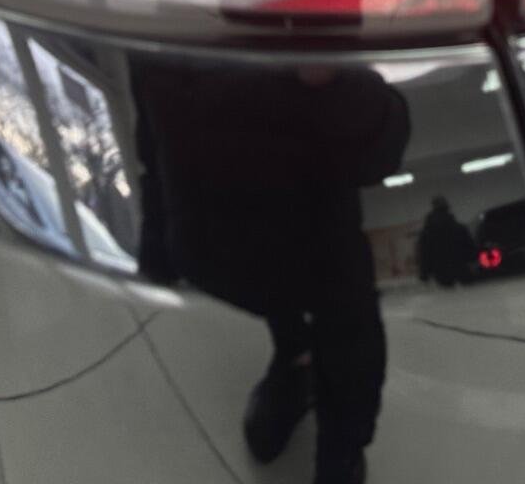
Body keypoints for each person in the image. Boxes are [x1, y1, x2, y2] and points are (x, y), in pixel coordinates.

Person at [133, 57, 409, 484]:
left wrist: (333, 80)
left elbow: (378, 153)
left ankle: (341, 453)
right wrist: (158, 238)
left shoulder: (305, 32)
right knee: (294, 320)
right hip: (215, 244)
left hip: (320, 243)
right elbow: (151, 136)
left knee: (350, 346)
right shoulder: (159, 35)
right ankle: (296, 362)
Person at [416, 196, 477, 287]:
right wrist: (473, 261)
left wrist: (424, 274)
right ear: (447, 208)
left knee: (447, 294)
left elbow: (424, 254)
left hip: (441, 271)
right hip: (461, 267)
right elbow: (470, 247)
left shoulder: (427, 233)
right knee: (470, 292)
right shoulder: (459, 228)